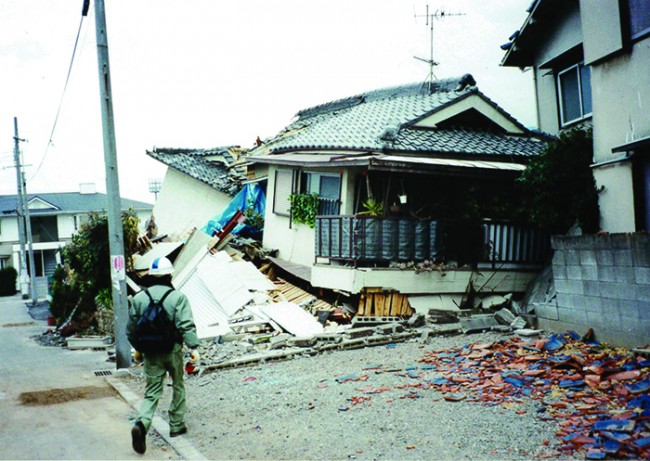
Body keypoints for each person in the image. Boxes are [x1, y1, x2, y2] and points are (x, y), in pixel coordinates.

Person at [126, 256, 200, 455]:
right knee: (178, 384)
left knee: (152, 392)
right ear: (169, 275)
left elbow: (131, 330)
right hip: (172, 350)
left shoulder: (139, 299)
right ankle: (176, 425)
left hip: (150, 353)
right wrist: (193, 348)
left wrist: (139, 349)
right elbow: (186, 325)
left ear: (150, 275)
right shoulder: (178, 298)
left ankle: (142, 423)